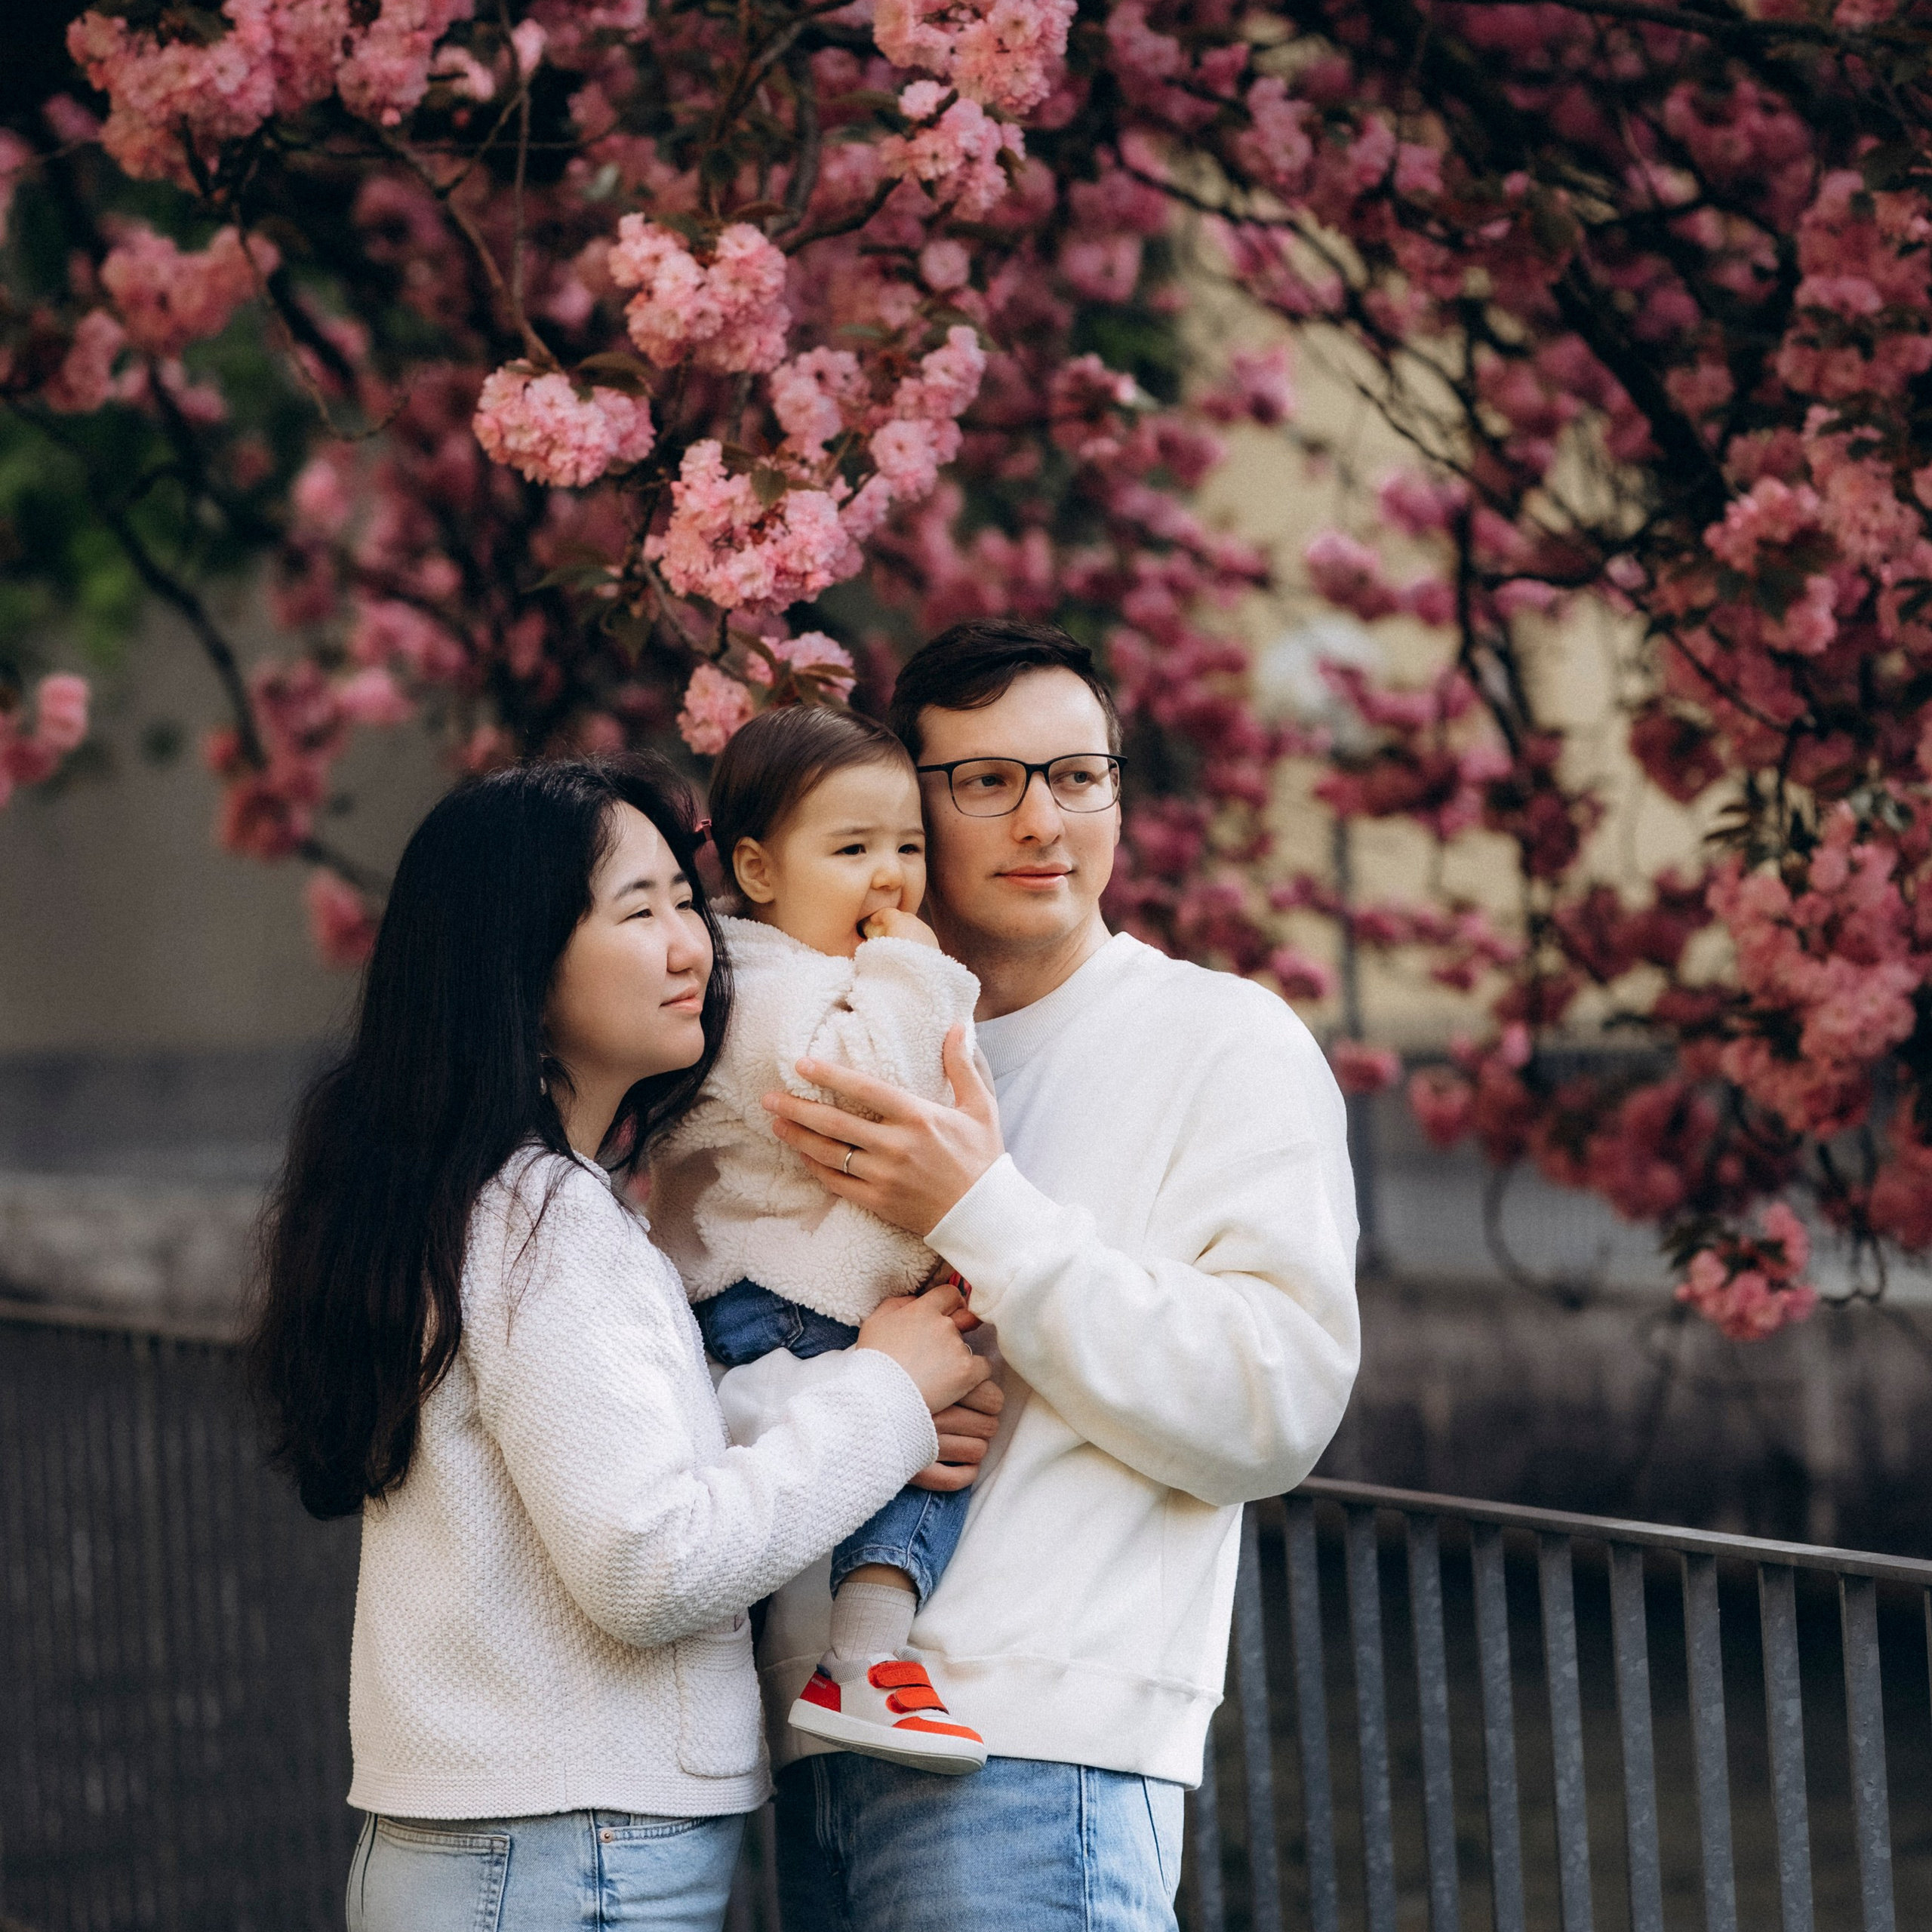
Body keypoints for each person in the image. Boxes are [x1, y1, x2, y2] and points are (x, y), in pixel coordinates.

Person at [245, 756, 990, 1932]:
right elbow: (648, 1564)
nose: (694, 944)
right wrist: (888, 1397)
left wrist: (872, 1392)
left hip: (520, 1845)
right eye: (639, 911)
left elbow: (622, 1473)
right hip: (560, 1852)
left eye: (686, 905)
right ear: (520, 968)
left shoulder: (502, 1202)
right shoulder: (547, 1222)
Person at [724, 620, 1361, 1932]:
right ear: (915, 812)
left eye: (1080, 776)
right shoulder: (836, 1041)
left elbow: (1276, 1404)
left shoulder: (1221, 1037)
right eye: (990, 781)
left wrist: (979, 1211)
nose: (1045, 821)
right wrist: (866, 1395)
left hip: (1034, 1753)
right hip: (805, 1740)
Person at [649, 705, 989, 1774]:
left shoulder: (814, 975)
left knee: (923, 1458)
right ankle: (870, 1662)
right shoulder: (753, 992)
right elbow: (867, 1087)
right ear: (756, 868)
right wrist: (916, 971)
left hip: (806, 1293)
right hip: (781, 1300)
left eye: (908, 848)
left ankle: (868, 1660)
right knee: (913, 1455)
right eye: (852, 850)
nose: (890, 880)